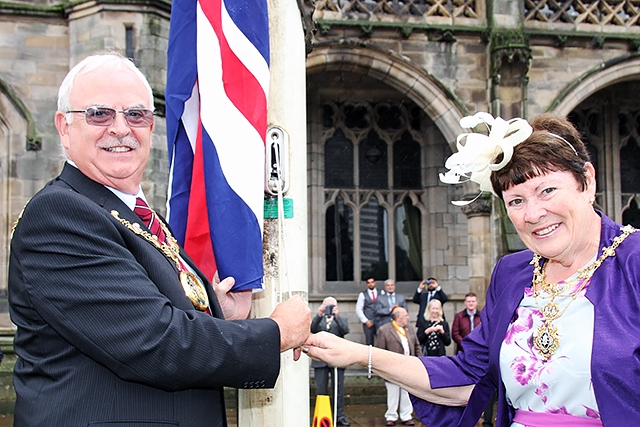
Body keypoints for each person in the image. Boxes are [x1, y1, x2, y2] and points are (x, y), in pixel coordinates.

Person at [8, 53, 311, 427]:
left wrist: (218, 311)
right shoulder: (60, 215)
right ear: (64, 127)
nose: (120, 128)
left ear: (151, 127)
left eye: (136, 115)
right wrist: (275, 334)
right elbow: (155, 343)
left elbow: (145, 313)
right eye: (99, 113)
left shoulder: (136, 214)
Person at [303, 112, 640, 426]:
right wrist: (361, 354)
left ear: (587, 181)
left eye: (547, 190)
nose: (533, 214)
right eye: (516, 201)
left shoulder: (634, 261)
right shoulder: (513, 273)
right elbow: (468, 378)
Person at [451, 292, 496, 427]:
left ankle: (483, 415)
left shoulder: (482, 316)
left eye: (473, 301)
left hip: (480, 357)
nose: (471, 303)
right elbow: (455, 333)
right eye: (468, 301)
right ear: (465, 302)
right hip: (463, 354)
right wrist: (467, 344)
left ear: (476, 302)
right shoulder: (459, 316)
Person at [375, 306, 421, 426]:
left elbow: (416, 346)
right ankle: (391, 416)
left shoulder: (409, 329)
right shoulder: (384, 330)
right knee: (393, 393)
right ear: (397, 317)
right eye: (405, 316)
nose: (408, 318)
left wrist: (419, 361)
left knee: (406, 393)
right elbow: (380, 350)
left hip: (408, 366)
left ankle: (406, 415)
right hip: (392, 368)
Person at [311, 297, 351, 426]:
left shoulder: (342, 319)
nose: (329, 308)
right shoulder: (319, 319)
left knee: (338, 390)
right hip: (320, 360)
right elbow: (312, 328)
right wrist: (319, 314)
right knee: (321, 389)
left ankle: (339, 416)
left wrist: (337, 316)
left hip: (336, 360)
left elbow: (345, 330)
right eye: (327, 305)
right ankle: (322, 415)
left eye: (332, 306)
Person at [355, 276, 380, 345]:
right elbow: (358, 309)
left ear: (375, 283)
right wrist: (365, 321)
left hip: (379, 320)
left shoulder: (381, 292)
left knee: (381, 341)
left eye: (372, 282)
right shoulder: (362, 294)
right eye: (368, 283)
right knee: (369, 342)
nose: (371, 284)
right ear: (366, 284)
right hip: (368, 321)